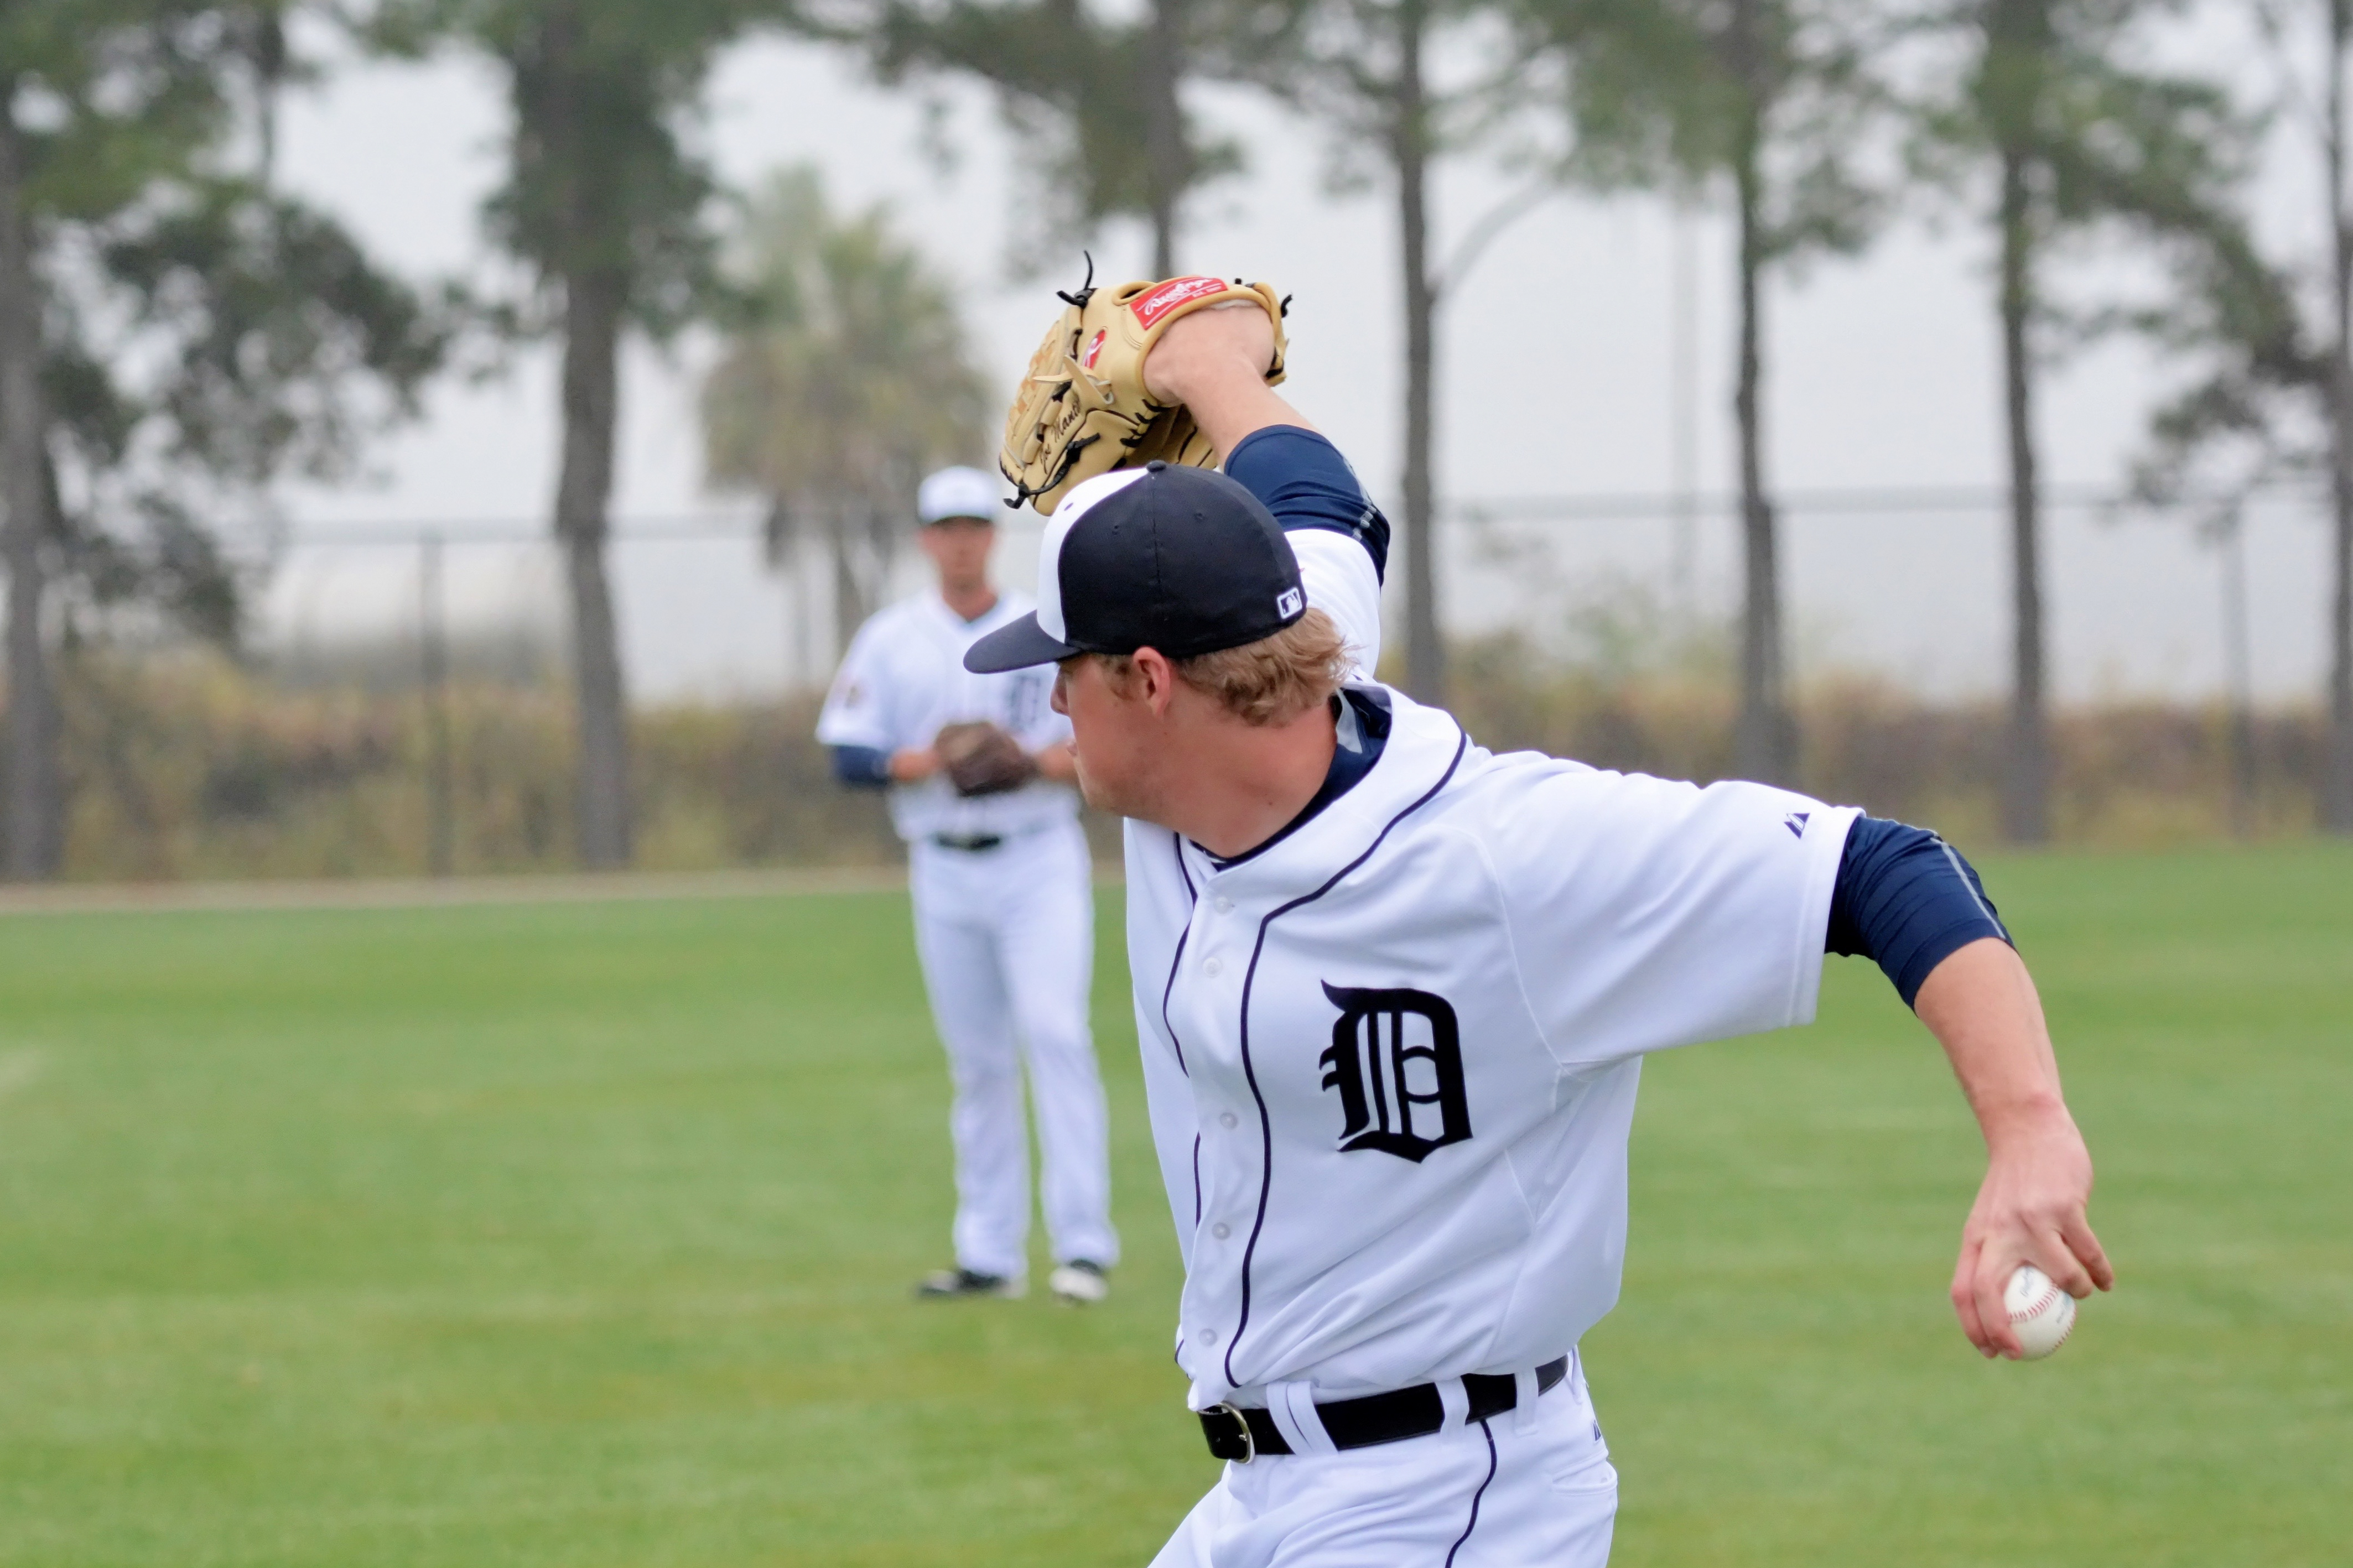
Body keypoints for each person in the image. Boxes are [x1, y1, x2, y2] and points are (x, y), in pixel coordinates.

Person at [962, 304, 2113, 1565]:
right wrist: (1212, 365)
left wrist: (2029, 1129)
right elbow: (1320, 498)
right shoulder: (1256, 675)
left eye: (1062, 665)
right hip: (1260, 1500)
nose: (1047, 699)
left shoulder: (1514, 859)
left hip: (1457, 1500)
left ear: (1148, 677)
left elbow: (1883, 871)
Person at [818, 464, 1119, 1305]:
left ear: (992, 537)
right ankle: (988, 1255)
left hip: (1036, 860)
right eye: (945, 527)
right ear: (925, 540)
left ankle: (1083, 1247)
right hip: (942, 865)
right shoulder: (890, 636)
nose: (960, 541)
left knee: (1056, 1034)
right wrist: (922, 761)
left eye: (973, 526)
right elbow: (848, 755)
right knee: (978, 1062)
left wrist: (1027, 762)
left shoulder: (1040, 626)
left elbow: (1099, 744)